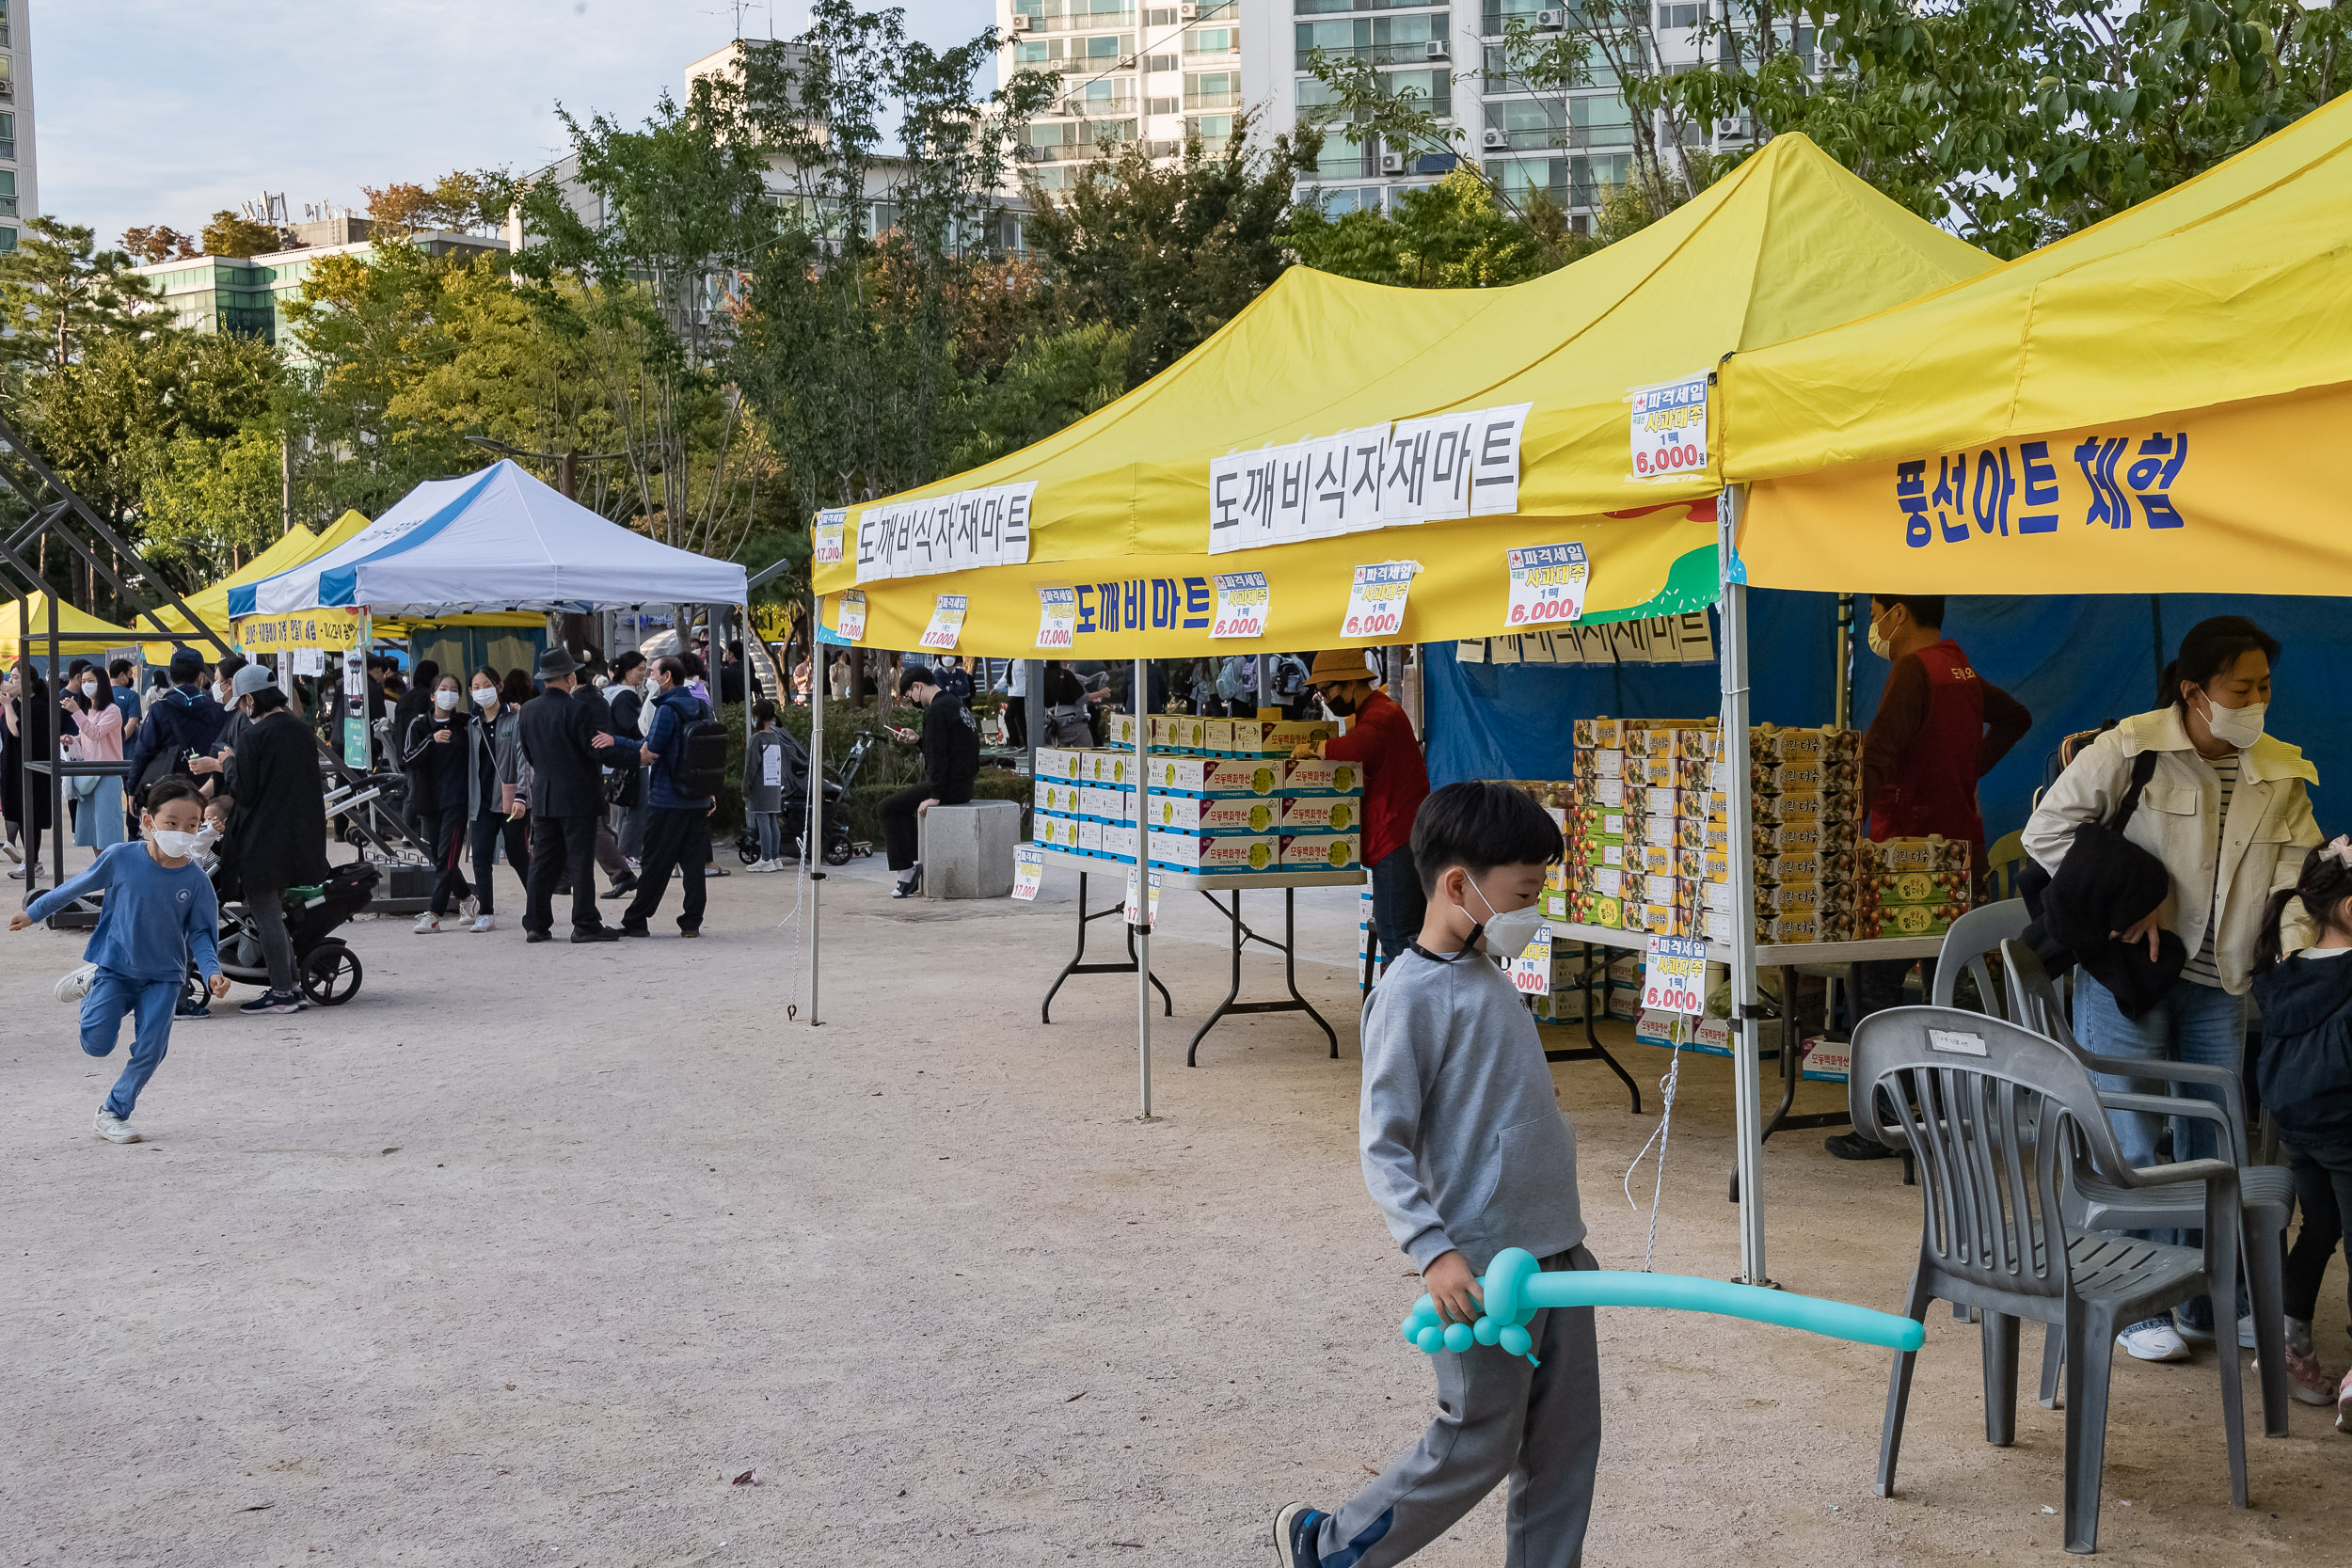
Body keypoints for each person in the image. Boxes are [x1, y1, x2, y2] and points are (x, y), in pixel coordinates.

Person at [1275, 781, 1595, 1568]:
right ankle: (1332, 1547)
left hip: (1557, 1249)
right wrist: (1434, 1247)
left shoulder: (1491, 972)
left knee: (1565, 1444)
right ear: (1460, 885)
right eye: (1525, 891)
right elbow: (1384, 1143)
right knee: (1477, 1440)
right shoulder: (1408, 997)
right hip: (1481, 1267)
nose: (1536, 906)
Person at [2026, 614, 2321, 1363]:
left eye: (2263, 687)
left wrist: (2298, 951)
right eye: (2240, 687)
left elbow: (2299, 877)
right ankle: (2131, 1298)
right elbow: (2047, 832)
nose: (2255, 701)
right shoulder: (2131, 746)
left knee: (2212, 1135)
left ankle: (2203, 1300)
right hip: (2128, 978)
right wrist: (2132, 896)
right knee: (2128, 1137)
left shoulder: (2282, 770)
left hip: (2221, 983)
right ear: (2195, 691)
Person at [1826, 594, 2032, 1163]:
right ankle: (1956, 1115)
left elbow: (1877, 756)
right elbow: (2017, 718)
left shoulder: (1913, 670)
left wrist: (1841, 832)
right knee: (1959, 990)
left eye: (1873, 615)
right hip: (1964, 855)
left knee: (1876, 990)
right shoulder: (1958, 668)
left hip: (1905, 857)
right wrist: (1970, 769)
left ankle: (1885, 1122)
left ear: (1898, 613)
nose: (1873, 627)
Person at [11, 778, 229, 1142]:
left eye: (192, 825)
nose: (182, 832)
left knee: (151, 1050)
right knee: (96, 1044)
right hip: (115, 966)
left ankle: (113, 1110)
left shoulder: (196, 881)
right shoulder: (120, 857)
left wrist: (212, 973)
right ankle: (92, 981)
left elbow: (203, 935)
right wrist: (35, 911)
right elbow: (76, 886)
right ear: (148, 822)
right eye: (172, 823)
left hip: (164, 977)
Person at [2249, 838, 2352, 1424]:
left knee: (2320, 1227)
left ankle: (2288, 1346)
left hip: (2298, 1127)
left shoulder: (2285, 971)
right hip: (2346, 1128)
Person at [1292, 650, 1433, 974]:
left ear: (1351, 683)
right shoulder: (1373, 711)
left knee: (1398, 936)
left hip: (1398, 838)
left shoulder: (1381, 715)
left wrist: (1316, 748)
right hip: (1395, 835)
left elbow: (1358, 747)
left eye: (1327, 691)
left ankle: (1401, 1015)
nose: (1325, 699)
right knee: (1400, 932)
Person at [227, 673, 332, 1014]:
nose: (242, 710)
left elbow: (243, 791)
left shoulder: (252, 736)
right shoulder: (302, 730)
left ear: (250, 700)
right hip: (300, 839)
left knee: (266, 915)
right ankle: (292, 986)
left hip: (262, 840)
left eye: (242, 703)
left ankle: (282, 992)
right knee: (276, 916)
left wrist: (226, 763)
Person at [515, 648, 621, 944]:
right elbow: (592, 750)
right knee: (580, 860)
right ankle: (585, 922)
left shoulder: (528, 710)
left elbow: (530, 755)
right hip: (577, 795)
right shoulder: (578, 709)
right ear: (570, 676)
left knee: (543, 861)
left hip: (544, 795)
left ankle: (535, 923)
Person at [619, 656, 717, 937]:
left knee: (655, 861)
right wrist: (709, 790)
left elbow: (651, 748)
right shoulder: (700, 705)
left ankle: (636, 919)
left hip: (667, 798)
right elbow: (708, 751)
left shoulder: (667, 710)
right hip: (696, 797)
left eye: (653, 672)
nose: (649, 675)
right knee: (693, 863)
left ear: (667, 677)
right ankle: (691, 923)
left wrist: (617, 742)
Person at [882, 665, 979, 899]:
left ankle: (906, 873)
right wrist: (918, 741)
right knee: (902, 807)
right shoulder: (955, 703)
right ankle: (911, 860)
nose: (910, 700)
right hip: (963, 785)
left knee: (887, 808)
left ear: (917, 687)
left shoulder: (935, 711)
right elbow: (949, 747)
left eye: (908, 695)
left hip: (947, 787)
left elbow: (938, 757)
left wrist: (934, 795)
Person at [402, 673, 479, 934]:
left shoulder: (465, 724)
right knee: (439, 858)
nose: (448, 693)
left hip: (456, 800)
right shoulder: (419, 725)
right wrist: (431, 741)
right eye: (443, 689)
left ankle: (434, 914)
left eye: (453, 689)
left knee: (447, 858)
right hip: (427, 800)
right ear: (433, 695)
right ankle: (468, 899)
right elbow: (408, 758)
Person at [125, 649, 227, 801]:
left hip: (169, 791)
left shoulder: (159, 708)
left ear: (170, 675)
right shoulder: (217, 709)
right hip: (210, 791)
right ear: (201, 676)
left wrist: (132, 789)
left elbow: (142, 751)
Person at [62, 664, 126, 854]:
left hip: (107, 774)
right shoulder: (88, 710)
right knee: (91, 828)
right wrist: (71, 740)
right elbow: (86, 738)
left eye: (91, 681)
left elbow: (96, 733)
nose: (86, 685)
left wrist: (76, 713)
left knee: (107, 828)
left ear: (102, 684)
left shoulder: (112, 711)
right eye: (83, 682)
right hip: (89, 774)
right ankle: (100, 866)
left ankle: (109, 869)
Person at [606, 651, 651, 872]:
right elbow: (633, 728)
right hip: (632, 757)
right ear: (626, 671)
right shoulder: (627, 696)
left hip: (614, 756)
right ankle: (628, 853)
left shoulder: (609, 692)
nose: (644, 674)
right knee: (636, 807)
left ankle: (624, 851)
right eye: (640, 670)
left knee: (625, 806)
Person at [742, 699, 789, 872]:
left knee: (762, 820)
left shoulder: (757, 739)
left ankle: (766, 858)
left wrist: (745, 789)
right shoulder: (776, 737)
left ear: (758, 717)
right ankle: (775, 858)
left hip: (760, 786)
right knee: (772, 821)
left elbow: (751, 767)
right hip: (774, 784)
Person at [107, 659, 144, 740]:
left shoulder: (100, 694)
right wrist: (120, 741)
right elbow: (133, 722)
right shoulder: (132, 696)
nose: (131, 678)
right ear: (122, 675)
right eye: (130, 674)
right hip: (127, 747)